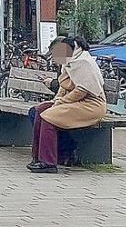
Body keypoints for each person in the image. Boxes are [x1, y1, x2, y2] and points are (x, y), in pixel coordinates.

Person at [28, 36, 107, 174]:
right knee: (39, 110)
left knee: (48, 116)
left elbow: (81, 90)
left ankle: (49, 163)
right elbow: (64, 86)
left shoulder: (84, 62)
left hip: (91, 105)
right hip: (75, 102)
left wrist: (61, 102)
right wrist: (56, 100)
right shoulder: (70, 62)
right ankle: (38, 158)